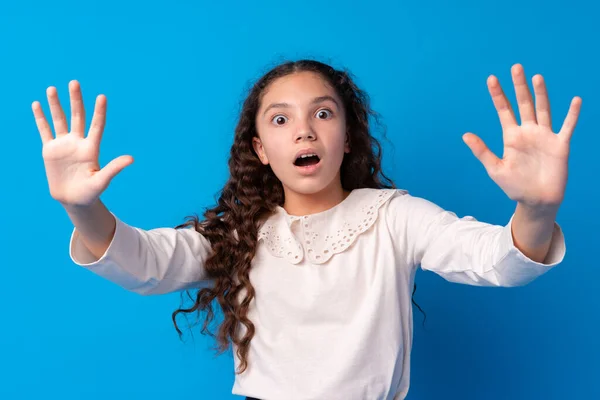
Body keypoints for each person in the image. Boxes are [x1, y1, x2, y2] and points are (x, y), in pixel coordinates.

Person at [33, 59, 581, 400]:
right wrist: (83, 209)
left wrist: (536, 208)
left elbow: (495, 260)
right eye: (280, 119)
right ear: (260, 151)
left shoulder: (396, 215)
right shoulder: (240, 235)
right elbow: (144, 261)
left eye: (323, 114)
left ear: (347, 137)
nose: (303, 130)